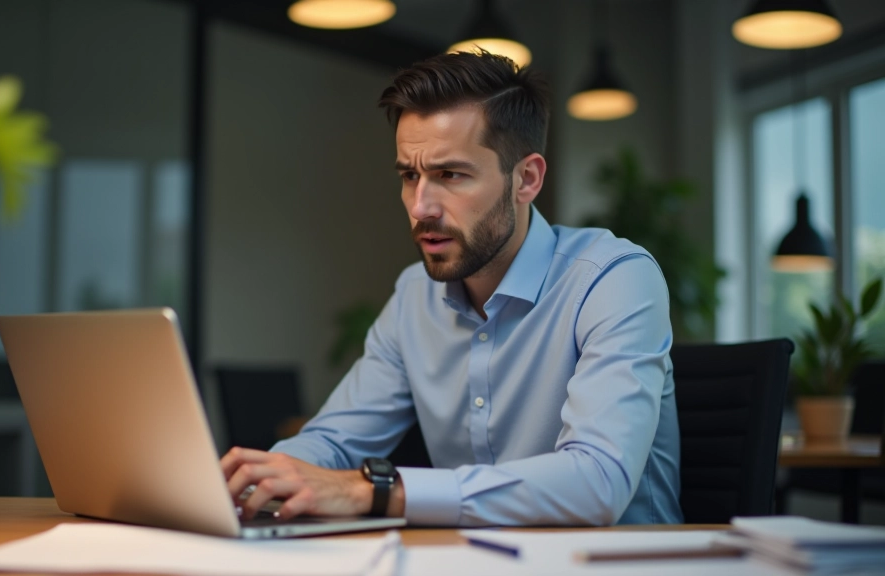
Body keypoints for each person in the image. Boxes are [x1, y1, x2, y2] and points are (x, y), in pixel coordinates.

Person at [220, 51, 682, 527]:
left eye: (450, 175)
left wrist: (376, 492)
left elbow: (597, 482)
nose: (420, 207)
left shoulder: (613, 277)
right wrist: (254, 482)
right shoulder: (414, 296)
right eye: (409, 176)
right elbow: (335, 442)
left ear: (526, 179)